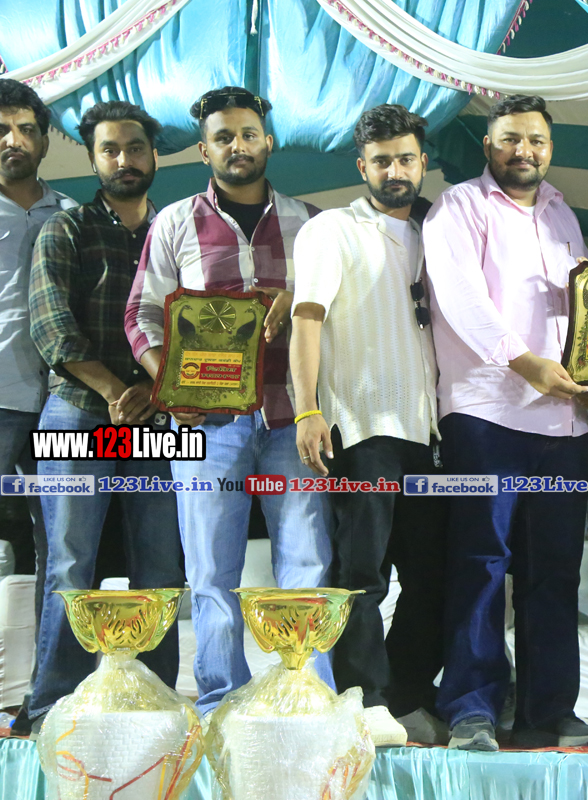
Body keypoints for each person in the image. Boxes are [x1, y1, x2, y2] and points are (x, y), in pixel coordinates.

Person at [125, 86, 333, 714]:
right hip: (205, 426)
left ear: (268, 140)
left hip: (292, 417)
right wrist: (170, 390)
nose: (236, 146)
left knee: (306, 564)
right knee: (211, 573)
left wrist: (297, 298)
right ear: (203, 150)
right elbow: (141, 317)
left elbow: (334, 316)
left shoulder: (311, 223)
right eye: (222, 138)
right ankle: (220, 703)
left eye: (247, 134)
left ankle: (308, 700)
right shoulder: (173, 222)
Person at [422, 94, 588, 751]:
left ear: (550, 148)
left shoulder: (562, 215)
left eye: (536, 140)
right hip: (486, 415)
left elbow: (587, 306)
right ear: (488, 146)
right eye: (510, 139)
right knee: (481, 563)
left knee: (554, 571)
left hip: (565, 424)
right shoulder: (459, 207)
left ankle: (549, 711)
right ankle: (471, 708)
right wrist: (527, 364)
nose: (523, 150)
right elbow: (461, 300)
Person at [290, 104, 447, 746]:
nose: (394, 171)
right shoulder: (331, 229)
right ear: (362, 166)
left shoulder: (439, 232)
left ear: (423, 162)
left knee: (434, 576)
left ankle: (405, 694)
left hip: (430, 433)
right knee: (362, 573)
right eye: (381, 161)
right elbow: (307, 319)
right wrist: (307, 409)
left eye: (405, 158)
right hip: (360, 428)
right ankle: (362, 697)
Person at [26, 101, 185, 729]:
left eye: (135, 147)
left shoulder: (174, 233)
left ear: (154, 154)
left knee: (161, 566)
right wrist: (121, 392)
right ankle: (51, 707)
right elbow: (52, 329)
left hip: (157, 422)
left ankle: (157, 702)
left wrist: (154, 392)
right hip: (77, 415)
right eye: (110, 150)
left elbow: (195, 328)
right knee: (71, 564)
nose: (124, 160)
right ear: (93, 160)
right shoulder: (65, 229)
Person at [0, 78, 74, 625]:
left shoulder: (71, 213)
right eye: (2, 129)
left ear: (45, 141)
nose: (14, 140)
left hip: (61, 401)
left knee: (62, 544)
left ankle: (49, 673)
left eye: (26, 129)